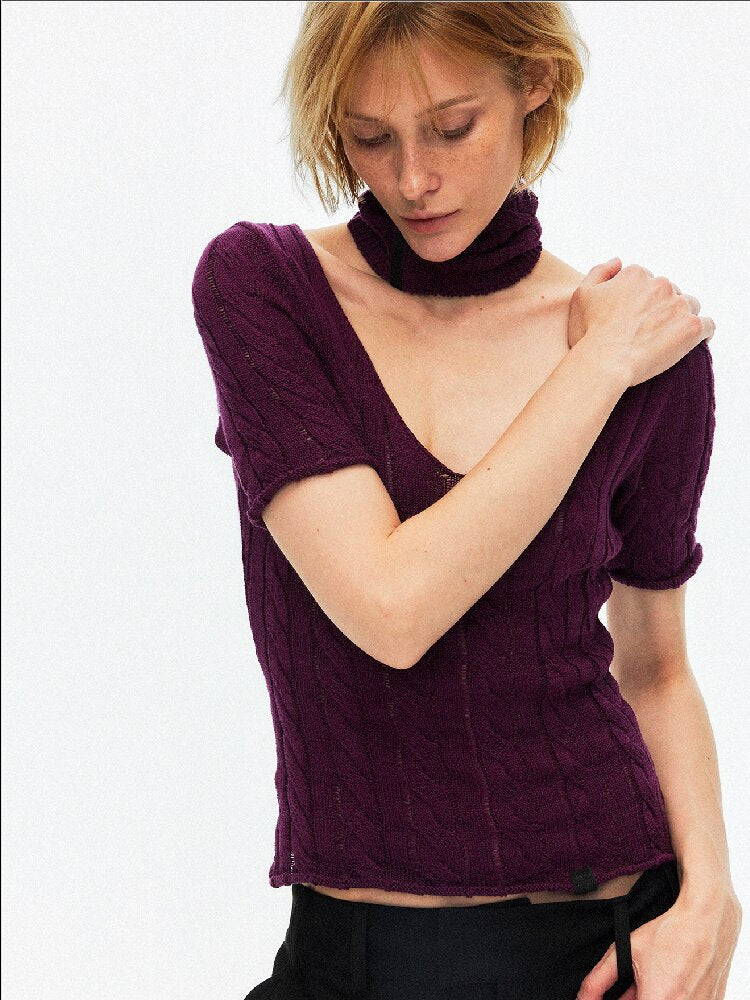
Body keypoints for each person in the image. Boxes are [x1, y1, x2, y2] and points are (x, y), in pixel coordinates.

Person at [190, 3, 741, 998]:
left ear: (534, 83)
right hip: (361, 953)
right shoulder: (264, 289)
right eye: (371, 137)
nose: (412, 179)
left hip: (610, 942)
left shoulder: (652, 358)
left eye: (452, 127)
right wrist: (593, 369)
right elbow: (392, 608)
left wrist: (711, 899)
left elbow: (657, 668)